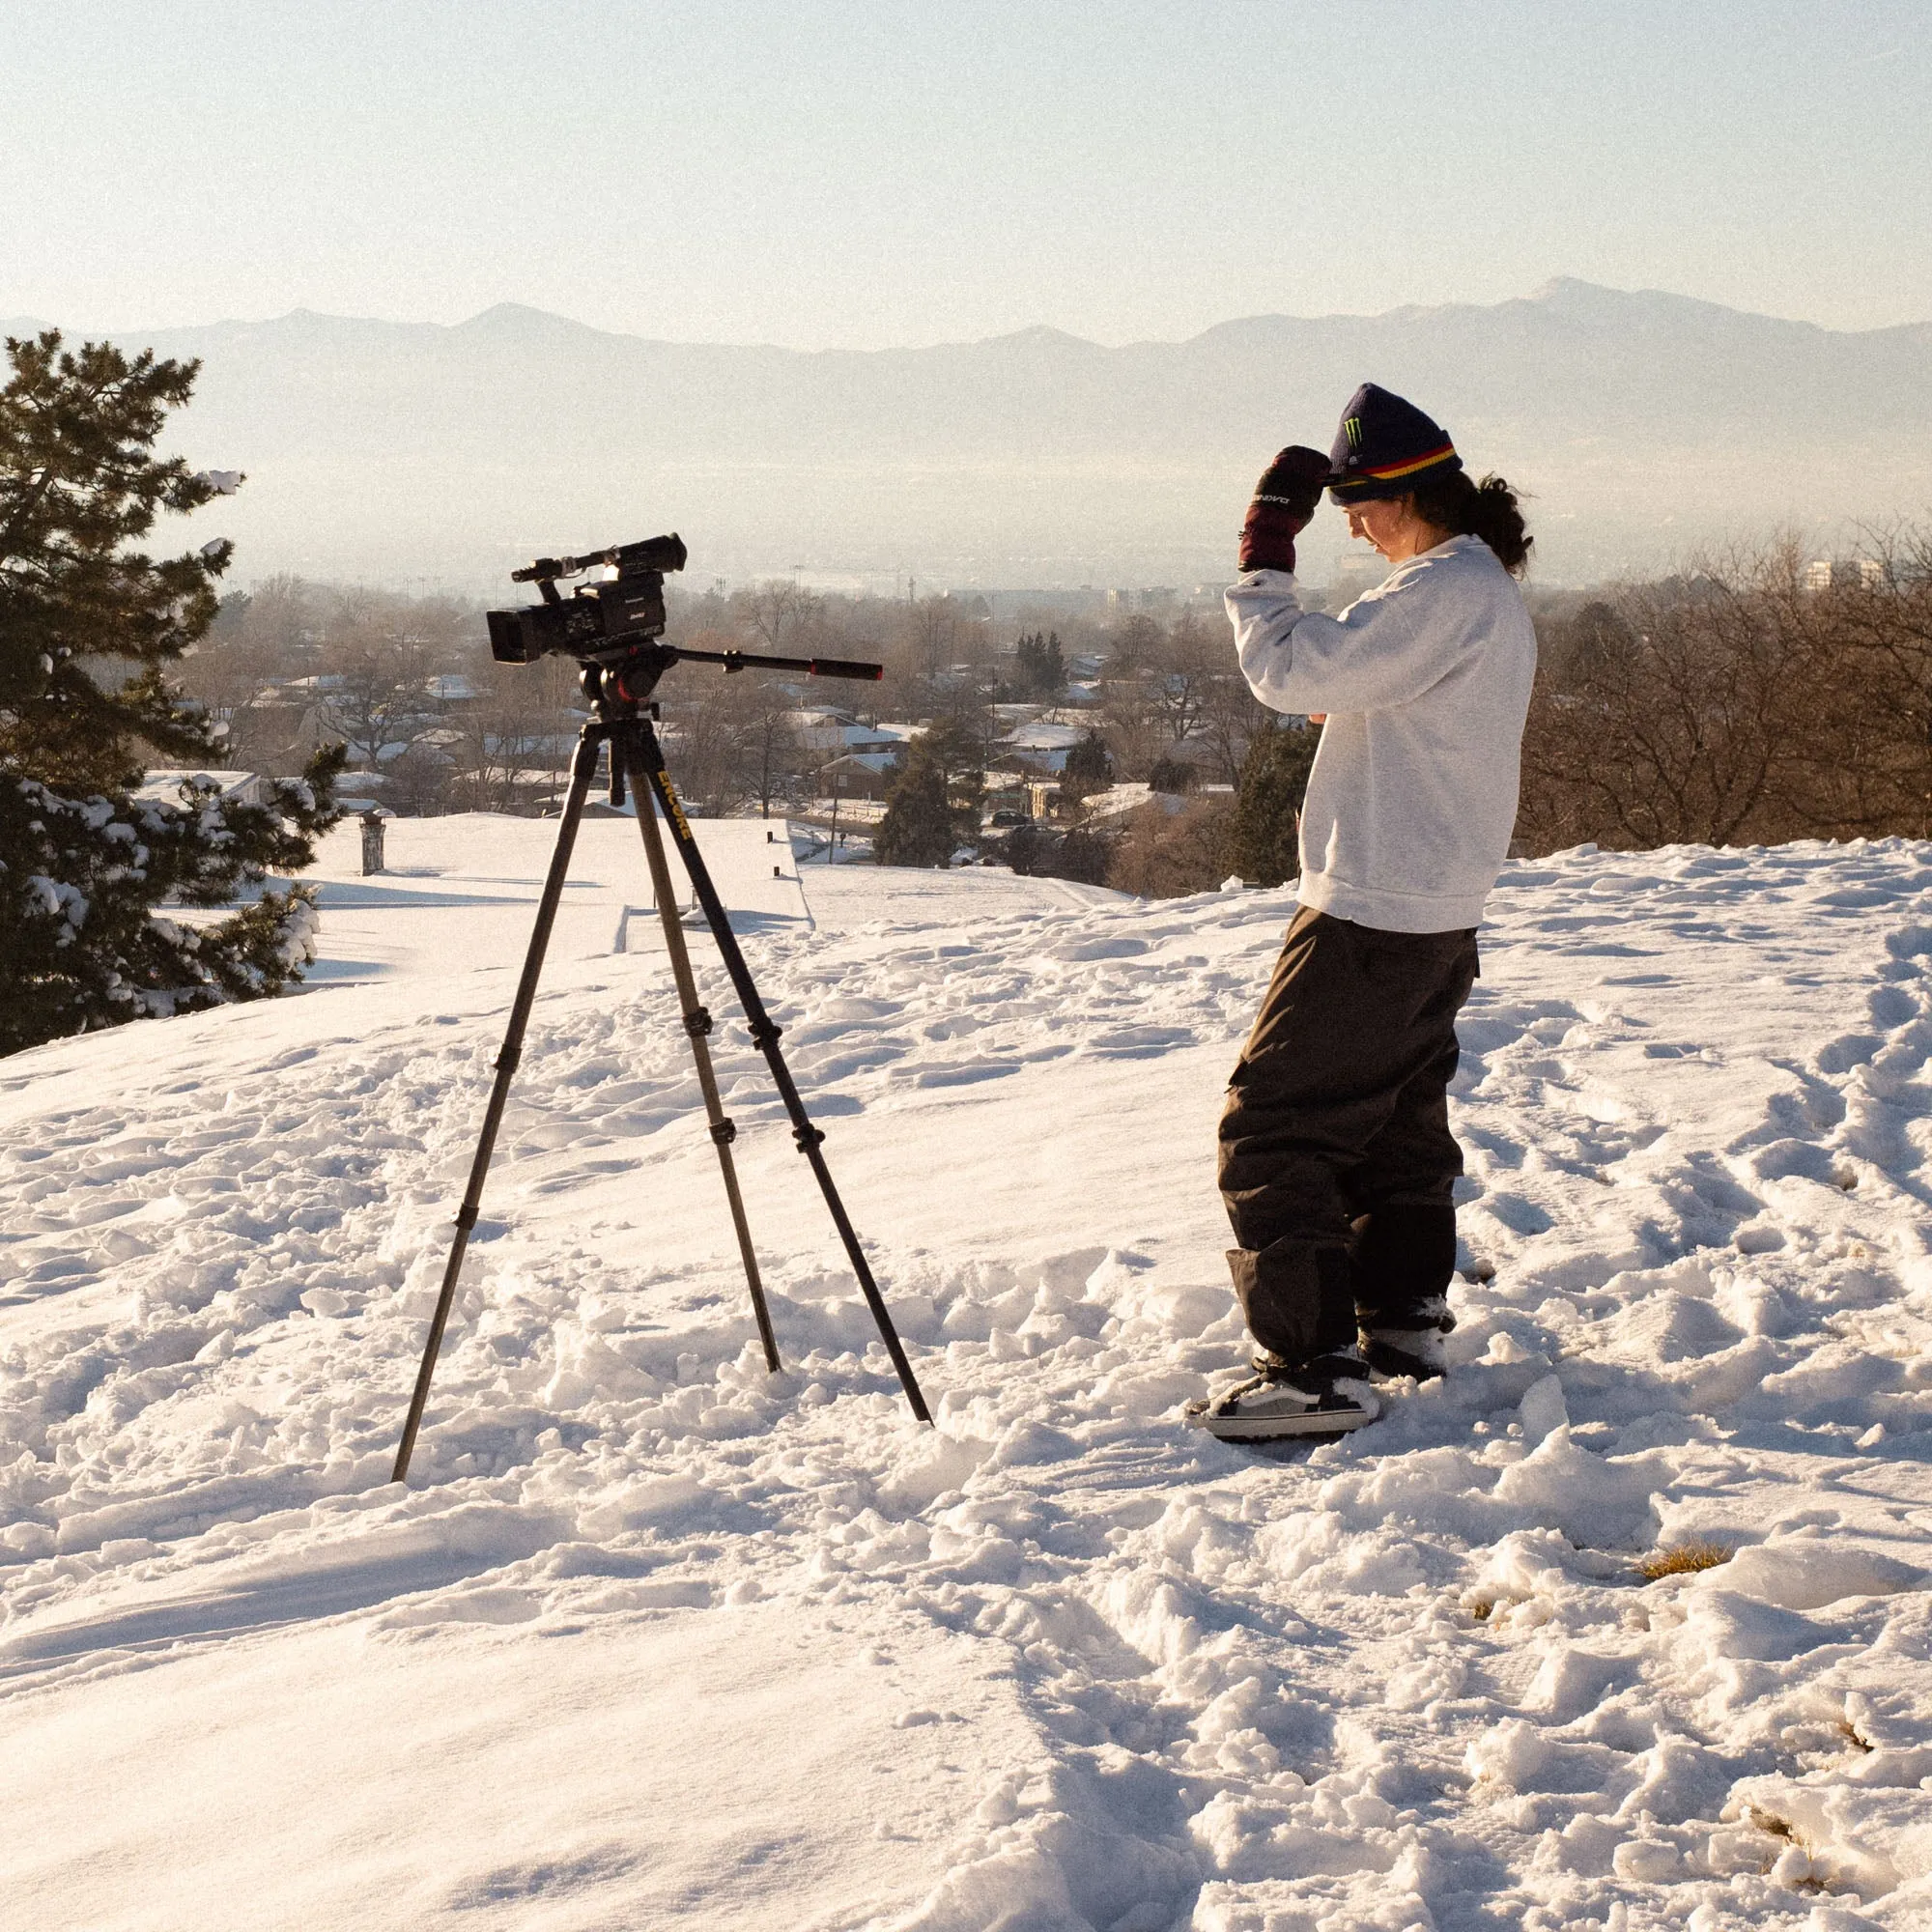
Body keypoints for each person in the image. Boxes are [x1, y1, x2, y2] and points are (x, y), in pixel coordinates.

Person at [1196, 383, 1537, 1441]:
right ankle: (1396, 1312)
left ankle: (1310, 1362)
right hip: (1431, 903)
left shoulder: (1441, 588)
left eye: (1355, 501)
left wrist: (1262, 549)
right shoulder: (1467, 589)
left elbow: (1284, 666)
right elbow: (1362, 684)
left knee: (1274, 1122)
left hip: (1373, 903)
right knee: (1391, 1116)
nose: (1345, 521)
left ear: (1403, 493)